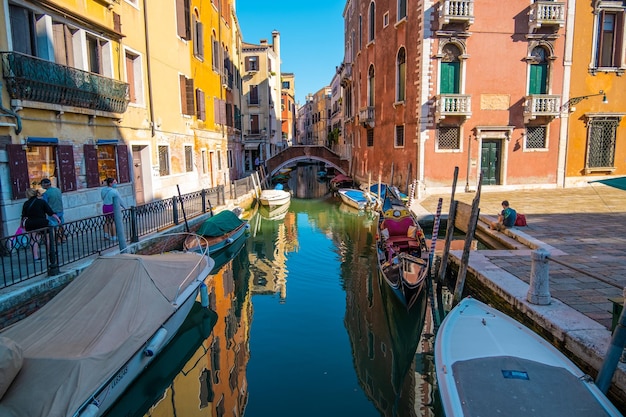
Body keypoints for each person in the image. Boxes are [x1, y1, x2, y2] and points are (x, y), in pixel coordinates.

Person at [22, 188, 61, 260]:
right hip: (41, 222)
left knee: (33, 240)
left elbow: (24, 216)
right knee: (48, 238)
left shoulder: (26, 203)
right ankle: (50, 252)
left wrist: (21, 225)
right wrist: (57, 219)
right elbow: (50, 212)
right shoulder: (41, 202)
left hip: (30, 223)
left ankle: (36, 257)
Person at [40, 178, 65, 243]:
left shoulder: (46, 193)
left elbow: (45, 204)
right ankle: (63, 237)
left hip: (52, 212)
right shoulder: (57, 190)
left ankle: (57, 240)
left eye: (42, 184)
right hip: (60, 210)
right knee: (61, 224)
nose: (41, 186)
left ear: (45, 185)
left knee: (53, 226)